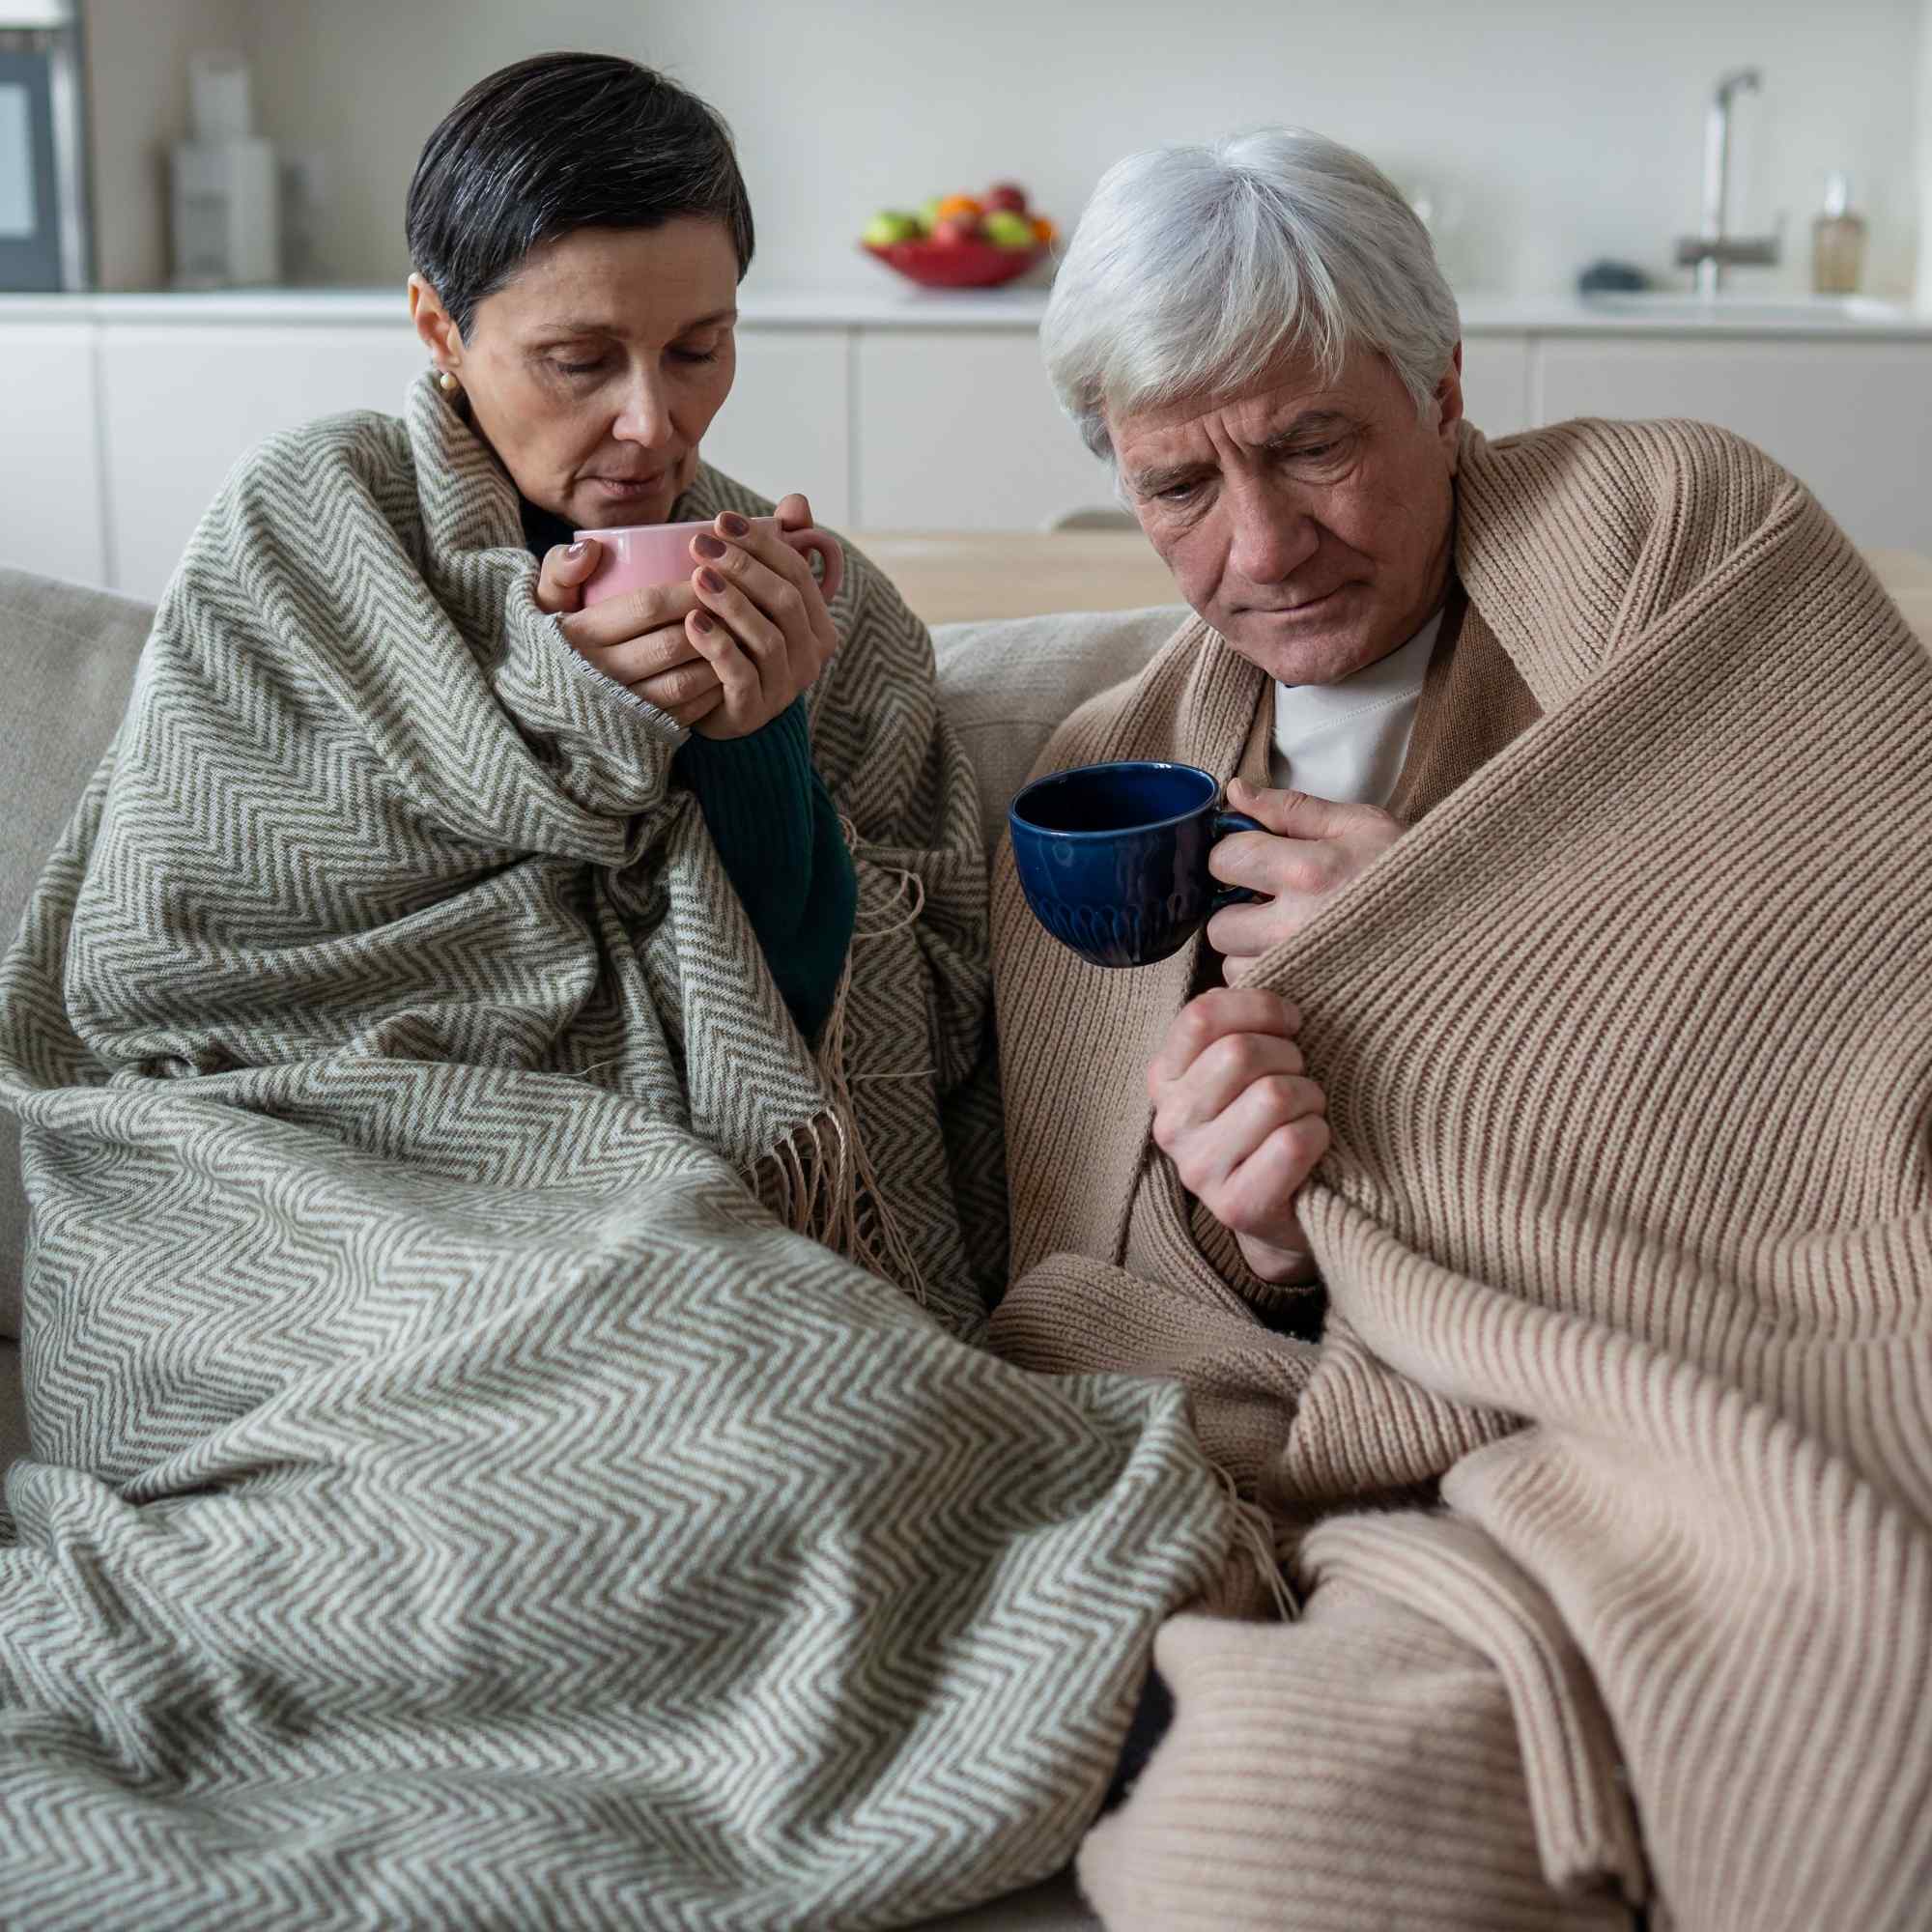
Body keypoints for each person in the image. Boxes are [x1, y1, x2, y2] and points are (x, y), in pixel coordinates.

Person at [987, 129, 1932, 1930]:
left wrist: (1448, 953)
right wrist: (1253, 1232)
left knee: (1858, 1683)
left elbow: (1878, 950)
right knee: (1252, 1846)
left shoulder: (1672, 531)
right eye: (1178, 485)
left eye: (1315, 444)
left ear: (1441, 385)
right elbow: (1100, 1282)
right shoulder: (1102, 781)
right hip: (1420, 1463)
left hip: (1771, 1324)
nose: (1261, 547)